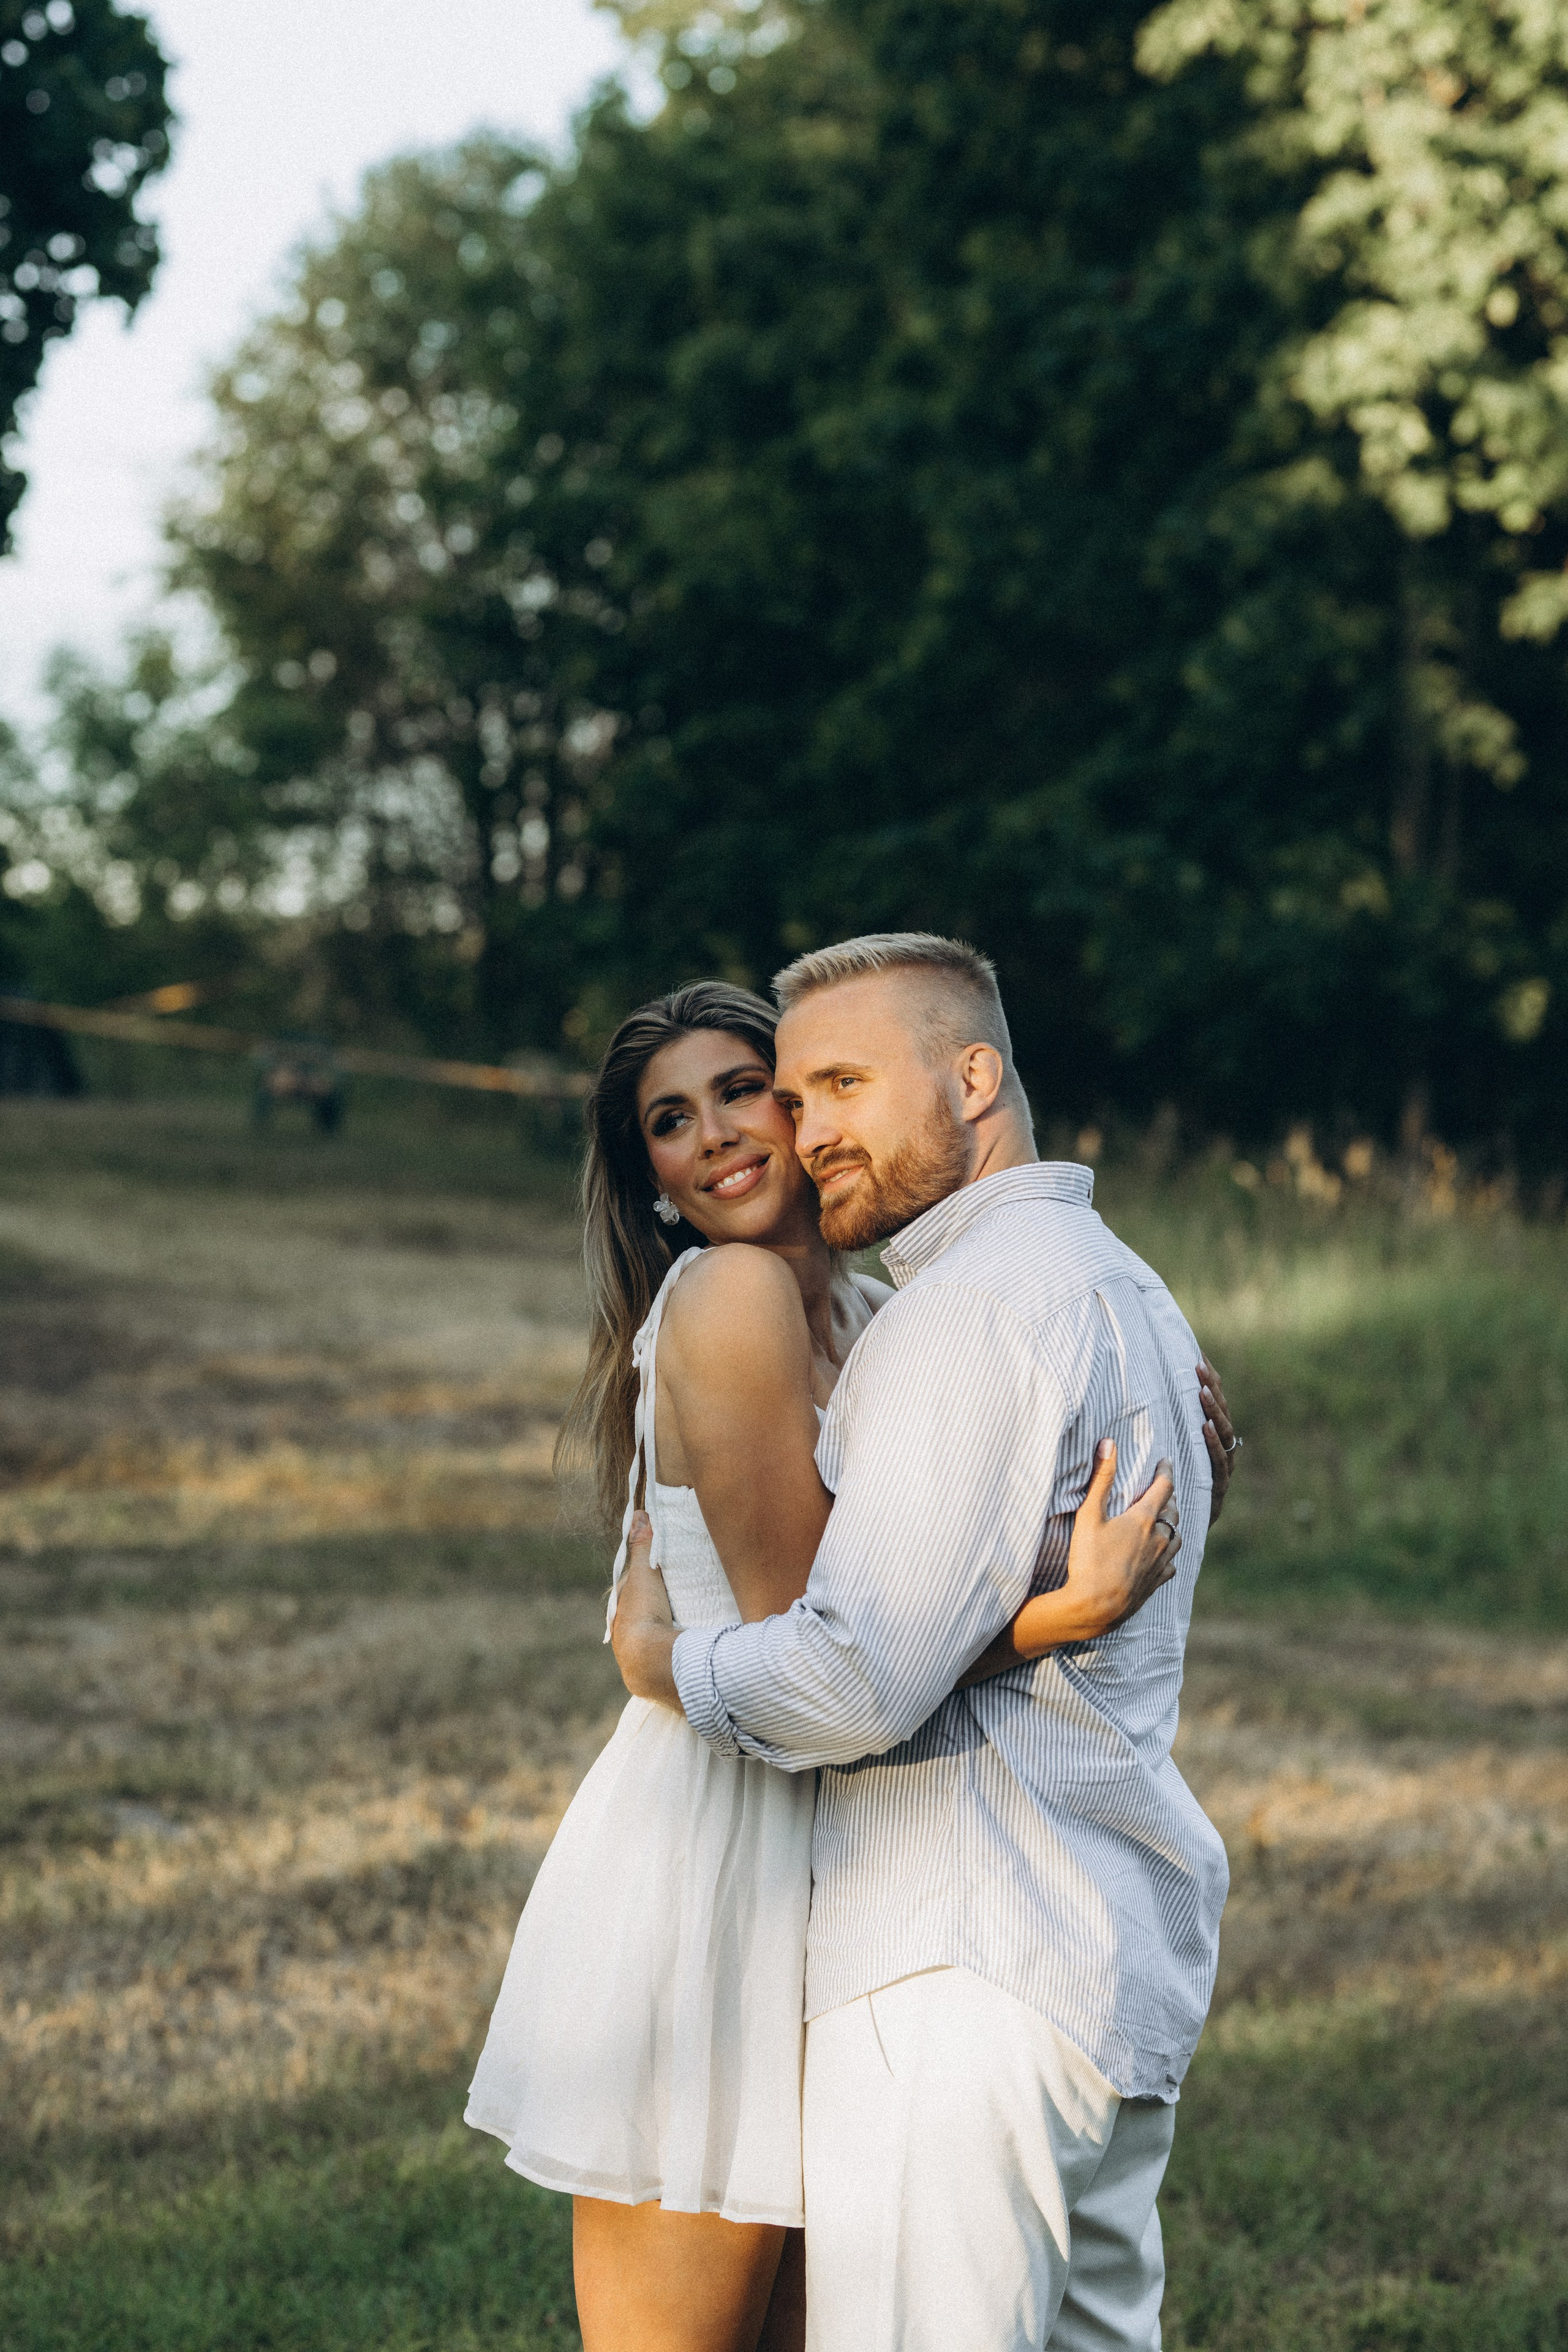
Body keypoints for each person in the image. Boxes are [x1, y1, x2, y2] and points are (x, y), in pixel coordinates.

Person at [466, 977, 1237, 2352]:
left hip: (844, 1845)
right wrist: (1047, 1619)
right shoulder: (734, 1295)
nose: (714, 1134)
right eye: (665, 1121)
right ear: (647, 1181)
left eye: (740, 1090)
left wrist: (1166, 1457)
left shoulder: (885, 1313)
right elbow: (834, 1644)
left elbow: (929, 1571)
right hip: (722, 1843)